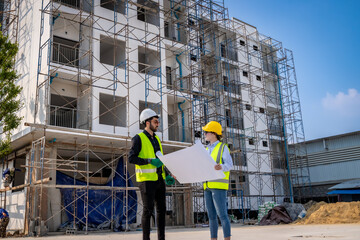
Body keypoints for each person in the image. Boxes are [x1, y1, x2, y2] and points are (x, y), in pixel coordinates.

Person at [129, 108, 175, 240]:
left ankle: (161, 238)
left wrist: (167, 174)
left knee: (161, 211)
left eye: (158, 122)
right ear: (147, 122)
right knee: (148, 211)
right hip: (146, 181)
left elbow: (161, 160)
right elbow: (131, 158)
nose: (158, 124)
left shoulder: (157, 139)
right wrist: (149, 161)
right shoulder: (138, 138)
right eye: (156, 121)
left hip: (159, 179)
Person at [202, 121, 233, 240]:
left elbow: (229, 165)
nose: (204, 134)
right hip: (207, 186)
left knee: (222, 215)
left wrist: (222, 167)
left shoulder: (223, 147)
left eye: (206, 132)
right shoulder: (206, 149)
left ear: (214, 133)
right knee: (211, 217)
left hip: (218, 186)